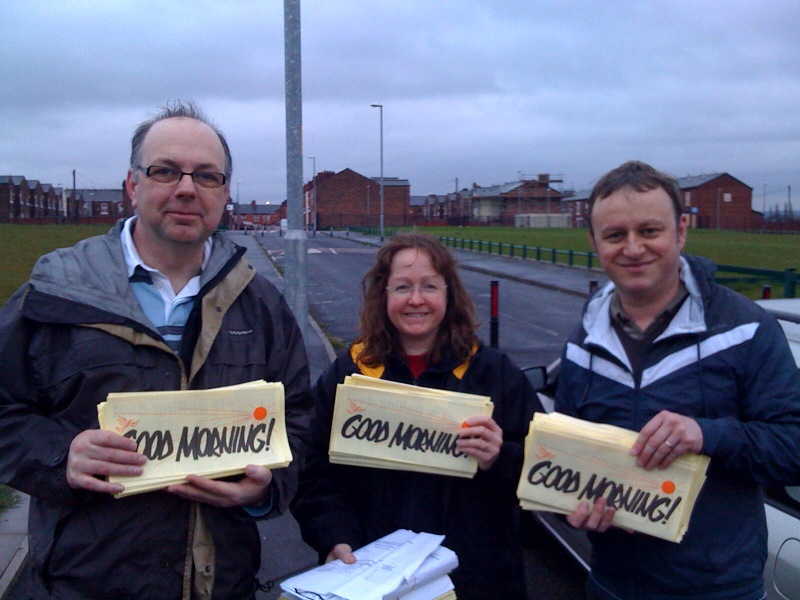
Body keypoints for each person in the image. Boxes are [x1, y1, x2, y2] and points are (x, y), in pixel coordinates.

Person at [0, 101, 312, 599]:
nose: (187, 188)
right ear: (132, 185)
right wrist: (61, 456)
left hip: (223, 583)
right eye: (165, 171)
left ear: (225, 193)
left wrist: (267, 486)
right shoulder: (55, 292)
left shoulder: (260, 303)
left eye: (207, 176)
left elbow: (298, 416)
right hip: (85, 585)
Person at [556, 160, 800, 599]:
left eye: (649, 231)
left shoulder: (747, 329)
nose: (633, 248)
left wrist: (706, 435)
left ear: (681, 231)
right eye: (615, 235)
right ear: (594, 242)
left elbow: (793, 447)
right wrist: (573, 509)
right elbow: (569, 461)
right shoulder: (582, 342)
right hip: (612, 584)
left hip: (717, 589)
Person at [292, 233, 540, 599]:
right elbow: (315, 476)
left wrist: (500, 457)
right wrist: (334, 538)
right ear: (384, 295)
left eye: (429, 287)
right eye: (402, 287)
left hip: (474, 580)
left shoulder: (494, 374)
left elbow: (543, 478)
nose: (416, 300)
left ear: (448, 295)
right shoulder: (349, 374)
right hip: (370, 579)